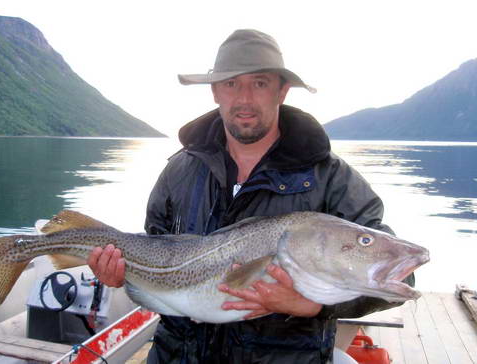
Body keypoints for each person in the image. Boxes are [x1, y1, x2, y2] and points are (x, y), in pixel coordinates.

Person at [88, 29, 413, 363]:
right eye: (231, 84)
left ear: (282, 91)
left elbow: (399, 277)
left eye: (259, 83)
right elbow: (155, 247)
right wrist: (120, 271)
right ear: (215, 92)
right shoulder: (179, 170)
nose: (243, 98)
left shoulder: (332, 179)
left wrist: (314, 306)